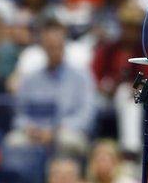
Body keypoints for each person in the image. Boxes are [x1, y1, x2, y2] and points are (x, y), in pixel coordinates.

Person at [6, 20, 97, 157]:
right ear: (43, 48)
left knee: (67, 140)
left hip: (66, 131)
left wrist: (56, 131)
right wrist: (30, 129)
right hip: (34, 132)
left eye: (57, 46)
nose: (53, 50)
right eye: (49, 47)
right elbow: (20, 114)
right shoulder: (31, 78)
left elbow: (86, 114)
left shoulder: (81, 77)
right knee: (13, 142)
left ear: (63, 46)